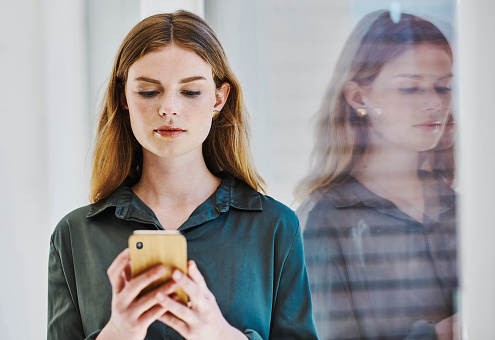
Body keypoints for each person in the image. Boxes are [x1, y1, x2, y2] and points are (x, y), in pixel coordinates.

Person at [47, 11, 318, 340]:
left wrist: (219, 335)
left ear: (219, 98)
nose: (169, 108)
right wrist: (118, 333)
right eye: (149, 92)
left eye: (190, 92)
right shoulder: (74, 236)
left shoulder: (275, 227)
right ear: (124, 98)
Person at [295, 11, 457, 340]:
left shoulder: (463, 209)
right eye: (411, 89)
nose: (434, 104)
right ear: (358, 98)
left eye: (443, 87)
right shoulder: (324, 221)